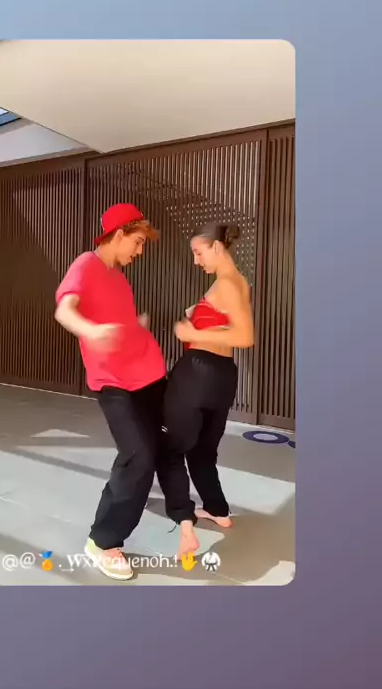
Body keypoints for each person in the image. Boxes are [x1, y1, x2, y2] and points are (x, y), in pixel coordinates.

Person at [54, 203, 167, 581]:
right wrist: (91, 331)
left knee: (161, 445)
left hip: (149, 373)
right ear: (118, 235)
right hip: (114, 382)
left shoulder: (119, 278)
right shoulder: (86, 264)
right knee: (137, 456)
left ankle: (174, 505)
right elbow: (64, 311)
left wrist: (136, 327)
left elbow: (121, 322)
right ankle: (103, 542)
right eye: (137, 242)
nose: (139, 251)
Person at [157, 222, 254, 559]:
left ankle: (184, 521)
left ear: (216, 247)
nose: (196, 261)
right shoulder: (236, 281)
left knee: (170, 449)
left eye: (198, 253)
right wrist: (197, 316)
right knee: (202, 451)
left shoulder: (227, 284)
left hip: (197, 374)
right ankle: (217, 509)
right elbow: (227, 326)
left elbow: (245, 336)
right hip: (222, 376)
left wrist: (191, 333)